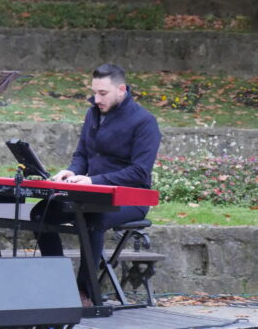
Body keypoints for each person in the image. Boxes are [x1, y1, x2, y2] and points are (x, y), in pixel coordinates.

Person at [30, 63, 161, 305]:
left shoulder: (144, 122)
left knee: (93, 218)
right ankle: (59, 284)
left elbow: (139, 172)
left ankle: (85, 292)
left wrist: (93, 180)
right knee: (41, 213)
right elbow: (83, 155)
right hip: (92, 194)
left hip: (130, 198)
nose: (96, 99)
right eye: (94, 93)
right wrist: (71, 171)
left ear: (121, 90)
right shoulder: (93, 114)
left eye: (103, 93)